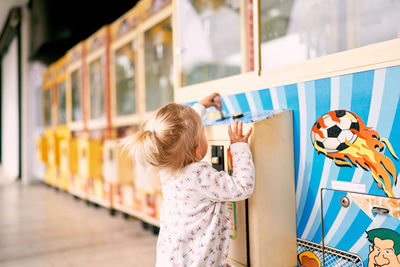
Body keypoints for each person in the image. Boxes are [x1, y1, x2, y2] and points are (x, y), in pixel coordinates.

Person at [124, 93, 254, 266]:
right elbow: (242, 187)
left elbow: (178, 131)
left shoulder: (167, 168)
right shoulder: (200, 176)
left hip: (173, 258)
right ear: (198, 150)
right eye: (202, 132)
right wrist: (239, 147)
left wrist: (200, 107)